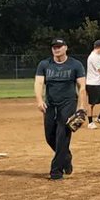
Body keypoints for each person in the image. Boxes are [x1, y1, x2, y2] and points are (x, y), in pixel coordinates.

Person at [34, 38, 88, 180]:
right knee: (49, 136)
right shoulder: (44, 64)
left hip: (68, 102)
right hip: (50, 104)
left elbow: (82, 87)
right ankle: (66, 156)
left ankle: (56, 171)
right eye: (54, 47)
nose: (56, 49)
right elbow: (39, 83)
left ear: (65, 48)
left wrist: (82, 106)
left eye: (59, 46)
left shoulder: (75, 65)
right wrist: (39, 100)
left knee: (62, 134)